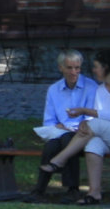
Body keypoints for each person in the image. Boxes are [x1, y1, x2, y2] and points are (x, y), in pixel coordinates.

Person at [38, 48, 110, 205]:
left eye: (96, 67)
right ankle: (94, 193)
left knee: (94, 124)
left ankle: (59, 160)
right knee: (93, 144)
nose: (93, 70)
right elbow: (100, 117)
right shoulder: (100, 90)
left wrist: (84, 112)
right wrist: (84, 122)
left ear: (106, 67)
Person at [31, 49, 99, 197]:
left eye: (77, 68)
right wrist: (60, 127)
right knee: (53, 144)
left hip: (83, 134)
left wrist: (72, 127)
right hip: (60, 132)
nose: (74, 72)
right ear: (60, 68)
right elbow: (49, 120)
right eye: (69, 68)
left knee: (67, 140)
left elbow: (92, 117)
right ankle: (42, 189)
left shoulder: (91, 87)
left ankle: (69, 188)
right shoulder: (53, 90)